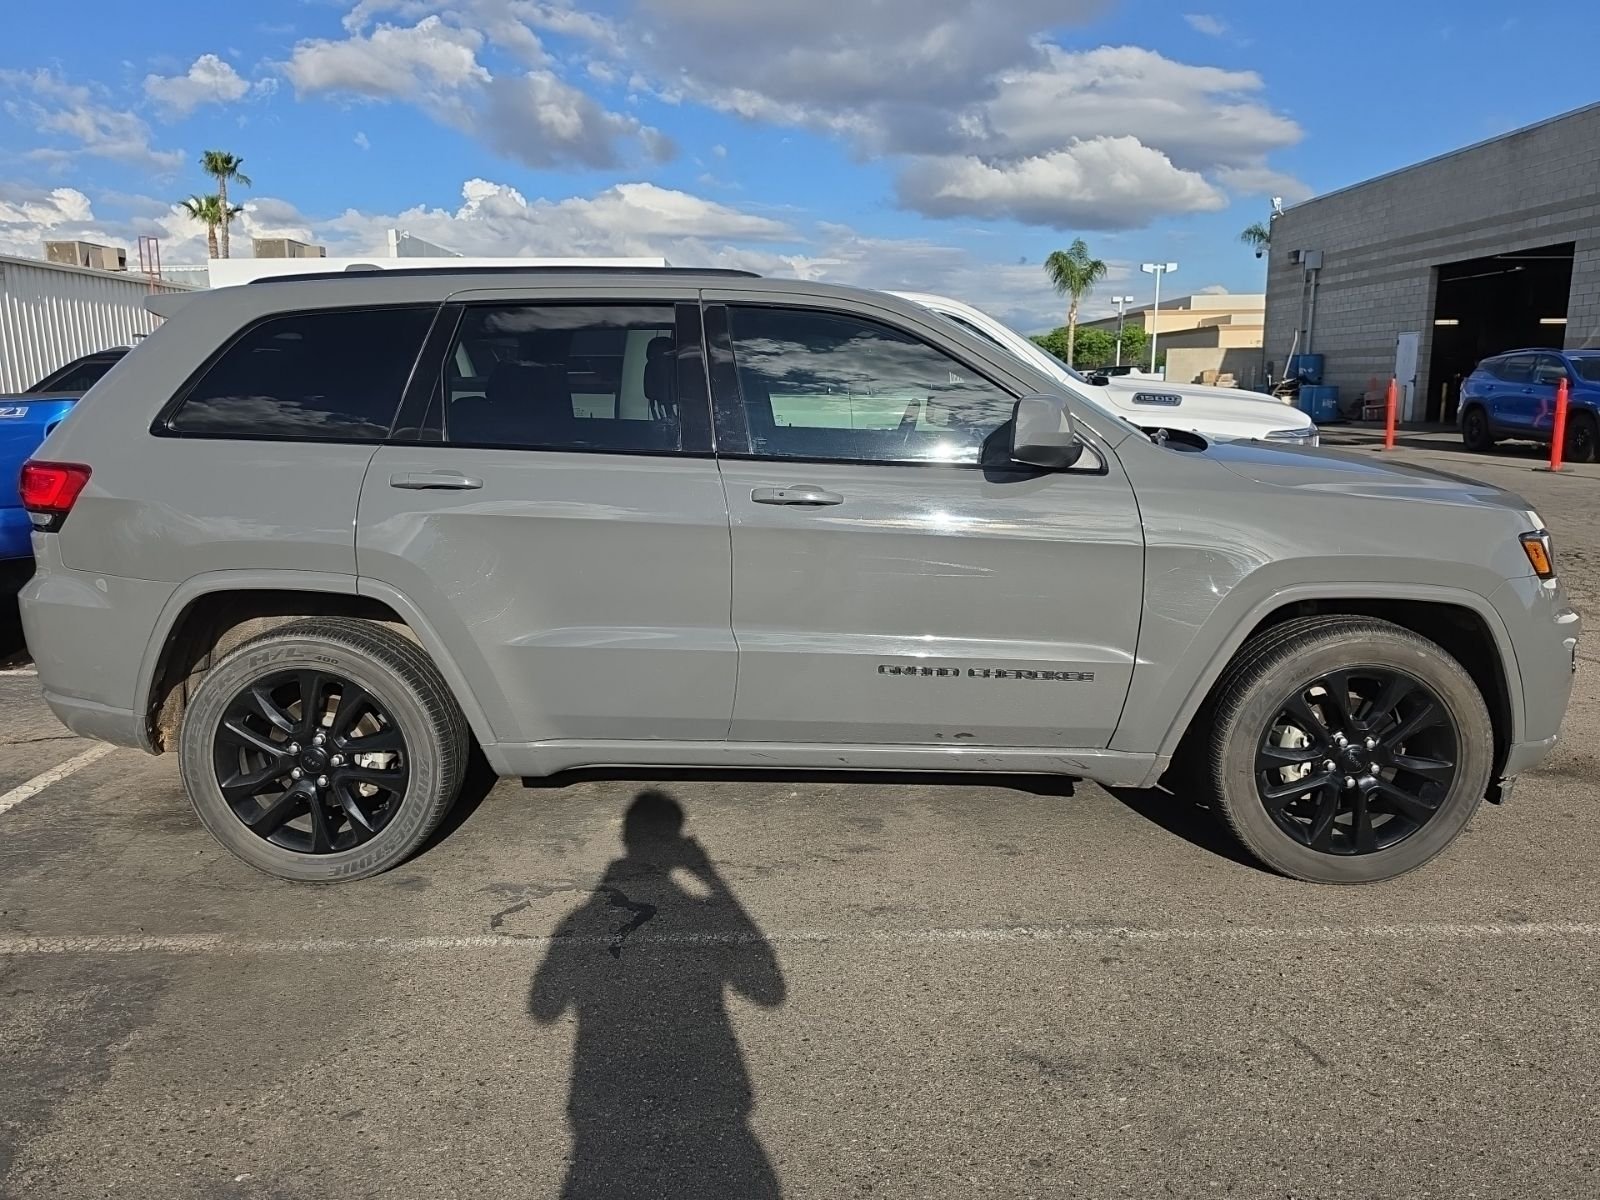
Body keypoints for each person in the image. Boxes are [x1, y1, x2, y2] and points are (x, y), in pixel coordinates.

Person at [530, 790, 786, 1199]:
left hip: (600, 1112)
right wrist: (711, 878)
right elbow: (768, 991)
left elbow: (542, 1008)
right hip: (715, 1104)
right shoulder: (703, 914)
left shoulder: (578, 920)